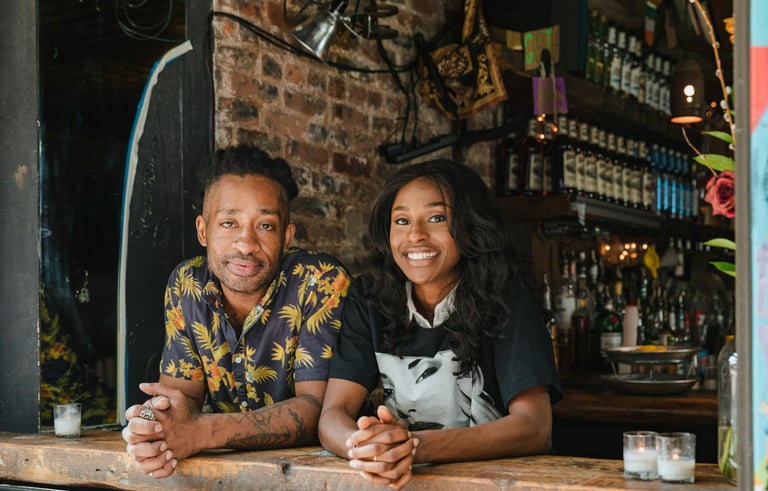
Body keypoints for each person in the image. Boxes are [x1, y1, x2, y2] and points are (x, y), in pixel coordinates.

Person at [318, 159, 562, 490]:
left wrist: (413, 446)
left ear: (469, 225)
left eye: (437, 218)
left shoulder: (506, 296)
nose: (415, 236)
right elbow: (333, 414)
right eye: (401, 221)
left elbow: (535, 427)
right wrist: (366, 449)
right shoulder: (369, 296)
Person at [122, 145, 351, 478]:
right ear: (203, 230)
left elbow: (317, 410)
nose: (246, 244)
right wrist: (156, 424)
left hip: (320, 476)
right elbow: (182, 395)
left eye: (266, 227)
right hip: (226, 475)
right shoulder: (187, 284)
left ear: (287, 237)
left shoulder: (319, 280)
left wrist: (202, 432)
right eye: (229, 223)